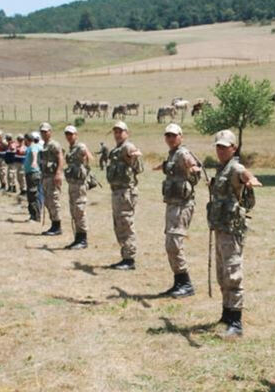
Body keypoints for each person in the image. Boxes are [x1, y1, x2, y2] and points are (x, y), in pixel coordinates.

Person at [206, 130, 261, 336]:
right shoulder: (222, 169)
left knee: (233, 272)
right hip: (221, 227)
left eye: (224, 147)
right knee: (222, 273)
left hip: (232, 230)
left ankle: (236, 322)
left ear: (233, 148)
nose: (220, 150)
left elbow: (245, 175)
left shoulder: (235, 167)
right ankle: (226, 312)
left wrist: (251, 180)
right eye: (218, 147)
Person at [156, 122, 202, 297]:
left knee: (174, 242)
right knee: (170, 242)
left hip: (183, 205)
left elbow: (193, 165)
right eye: (167, 135)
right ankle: (179, 281)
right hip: (173, 204)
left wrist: (193, 168)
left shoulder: (182, 153)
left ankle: (186, 284)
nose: (170, 138)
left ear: (181, 137)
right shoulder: (173, 154)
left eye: (174, 135)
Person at [105, 120, 145, 269]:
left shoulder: (127, 146)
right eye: (115, 131)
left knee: (126, 224)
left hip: (126, 192)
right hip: (117, 191)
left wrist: (133, 157)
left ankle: (130, 259)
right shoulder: (116, 150)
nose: (117, 134)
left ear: (126, 133)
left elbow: (136, 161)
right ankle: (125, 256)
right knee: (119, 224)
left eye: (120, 131)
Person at [62, 125, 93, 249]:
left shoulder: (81, 147)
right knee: (74, 211)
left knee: (79, 210)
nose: (69, 136)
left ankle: (83, 239)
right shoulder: (71, 149)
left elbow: (90, 159)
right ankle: (77, 238)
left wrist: (85, 163)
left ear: (76, 135)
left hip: (79, 185)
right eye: (67, 134)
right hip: (72, 184)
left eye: (71, 134)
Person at [38, 123, 65, 237]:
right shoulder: (44, 145)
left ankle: (57, 226)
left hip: (53, 176)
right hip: (45, 176)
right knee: (48, 201)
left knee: (54, 200)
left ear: (50, 132)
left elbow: (60, 158)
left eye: (46, 131)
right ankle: (53, 223)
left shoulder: (54, 144)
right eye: (42, 132)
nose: (44, 134)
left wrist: (58, 172)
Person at [22, 132, 43, 222]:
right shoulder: (35, 146)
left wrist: (34, 161)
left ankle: (35, 216)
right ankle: (34, 215)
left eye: (24, 140)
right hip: (32, 173)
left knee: (32, 194)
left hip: (33, 173)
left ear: (27, 139)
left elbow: (34, 153)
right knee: (33, 194)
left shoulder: (33, 146)